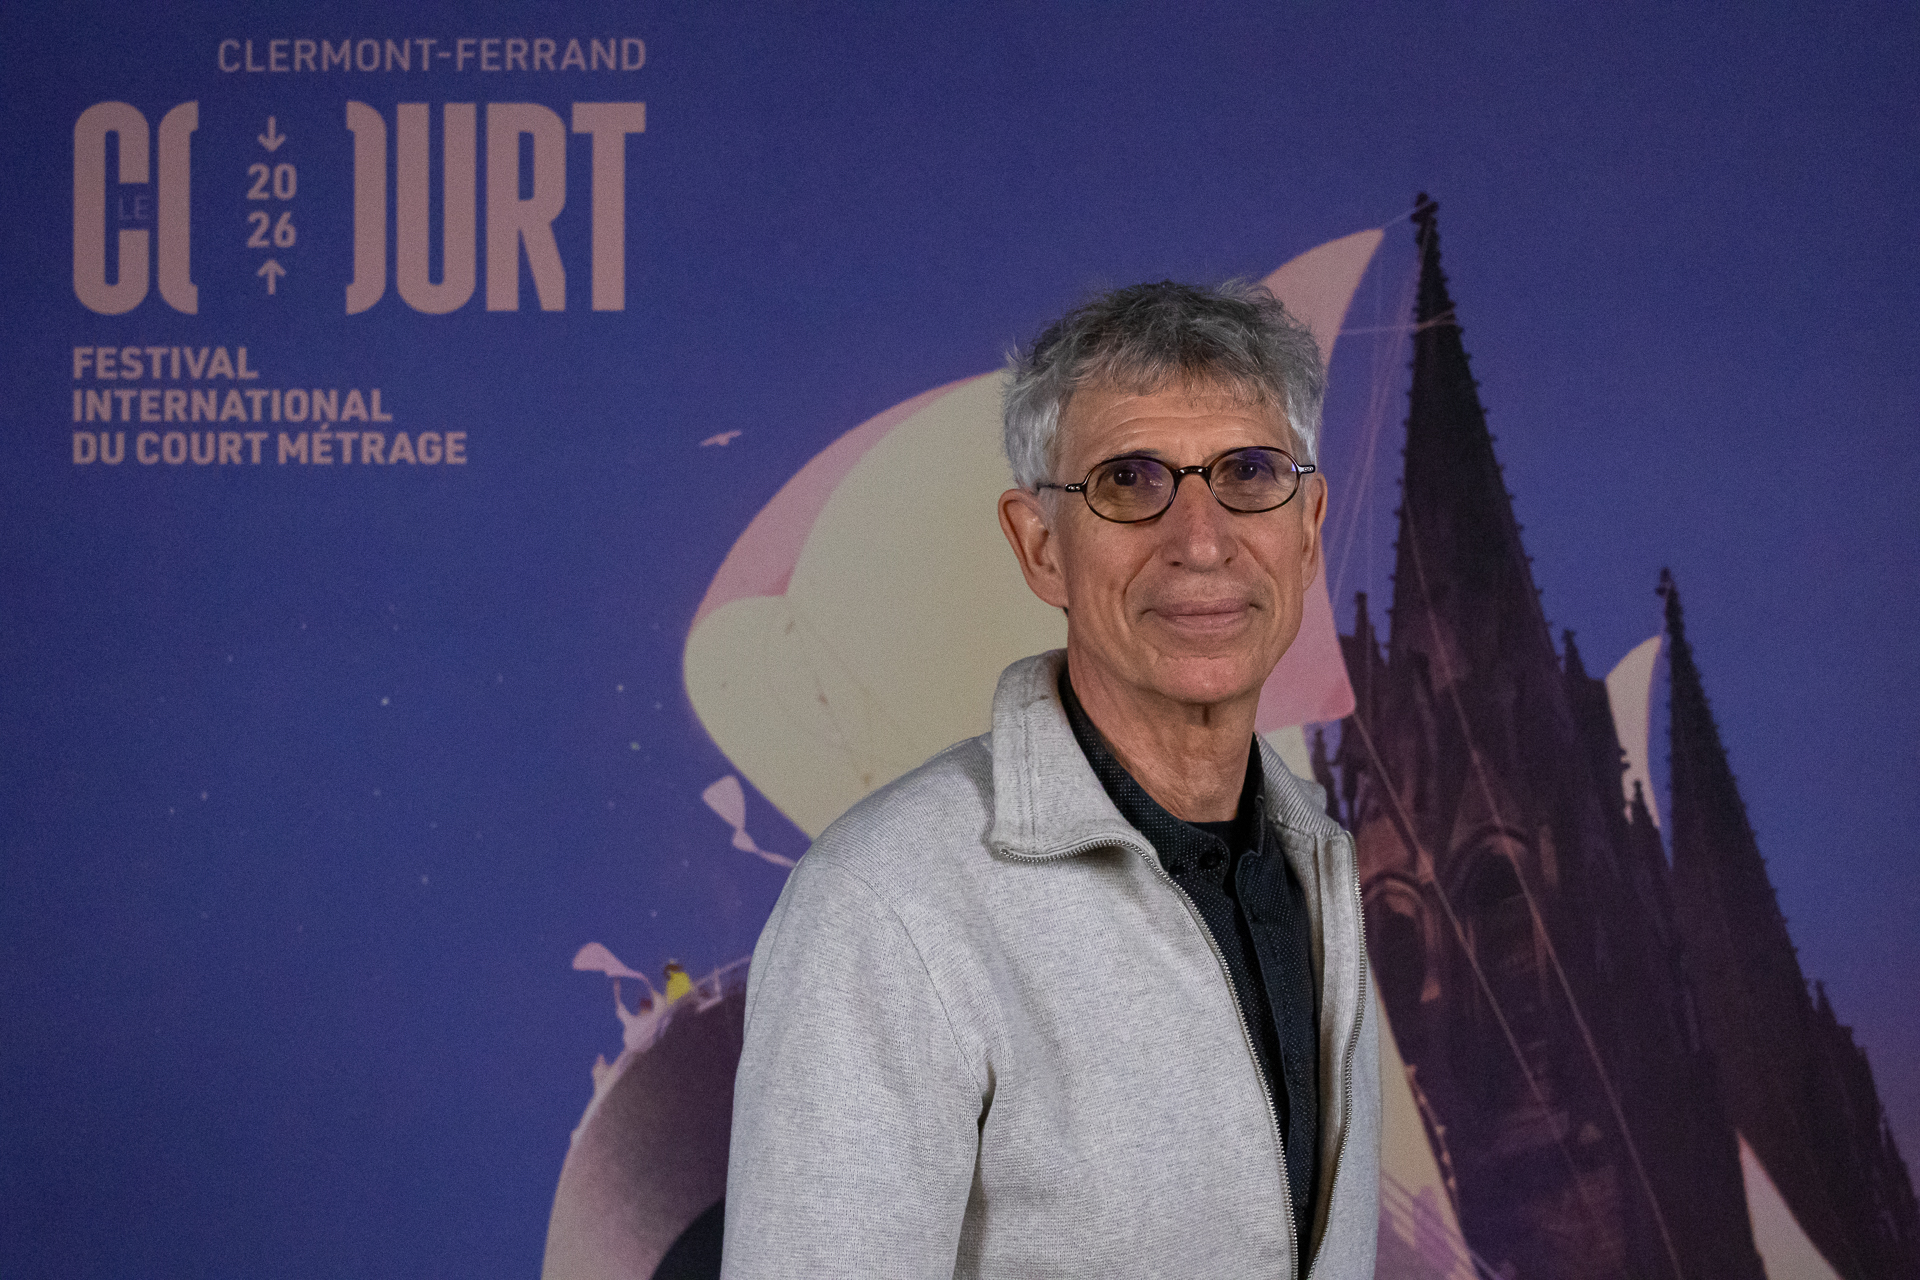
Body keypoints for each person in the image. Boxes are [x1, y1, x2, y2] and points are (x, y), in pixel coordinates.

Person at [722, 281, 1378, 1279]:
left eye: (1249, 473)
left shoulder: (1320, 863)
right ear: (1040, 547)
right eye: (1130, 481)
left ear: (1310, 525)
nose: (1202, 540)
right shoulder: (886, 903)